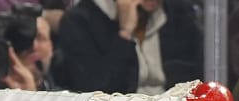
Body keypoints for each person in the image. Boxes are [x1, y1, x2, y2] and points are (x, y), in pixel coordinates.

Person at [52, 0, 201, 94]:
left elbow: (196, 77)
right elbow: (94, 90)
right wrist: (125, 33)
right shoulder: (80, 21)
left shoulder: (179, 14)